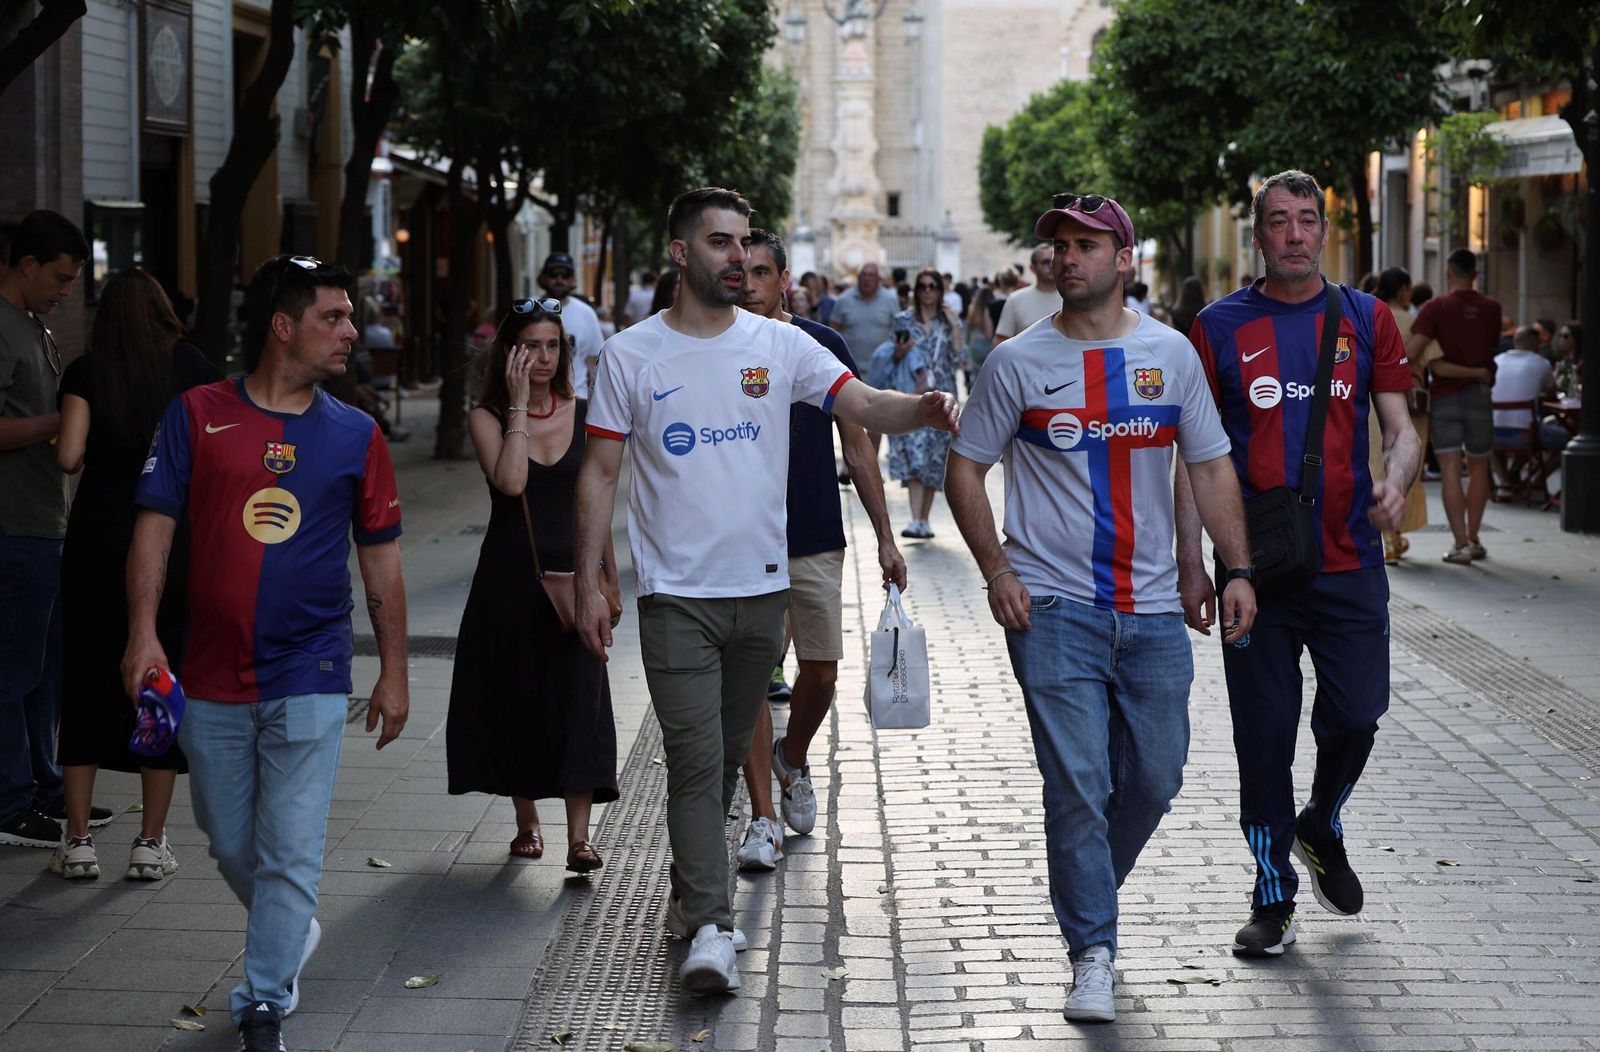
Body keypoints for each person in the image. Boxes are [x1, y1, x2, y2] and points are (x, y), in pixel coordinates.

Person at [571, 187, 958, 996]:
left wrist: (920, 410)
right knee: (692, 758)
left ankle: (692, 893)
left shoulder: (780, 347)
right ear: (681, 253)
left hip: (763, 594)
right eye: (719, 242)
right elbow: (600, 471)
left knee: (715, 771)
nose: (738, 257)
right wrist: (590, 578)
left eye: (745, 243)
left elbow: (862, 405)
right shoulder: (632, 355)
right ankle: (714, 928)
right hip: (676, 596)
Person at [947, 191, 1257, 1024]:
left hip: (1154, 609)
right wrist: (995, 569)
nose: (1068, 258)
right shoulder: (1016, 362)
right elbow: (965, 468)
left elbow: (1209, 466)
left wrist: (1228, 567)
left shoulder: (1172, 356)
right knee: (1078, 783)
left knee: (1155, 779)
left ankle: (1085, 889)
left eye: (1087, 245)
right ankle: (1094, 950)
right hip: (1050, 607)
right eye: (1060, 245)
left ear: (1125, 259)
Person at [123, 253, 410, 1052]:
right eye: (334, 317)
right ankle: (291, 930)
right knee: (228, 836)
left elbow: (380, 556)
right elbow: (154, 526)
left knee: (289, 846)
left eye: (351, 317)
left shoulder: (356, 433)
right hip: (207, 671)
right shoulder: (194, 414)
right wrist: (142, 632)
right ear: (284, 327)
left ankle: (261, 1002)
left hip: (312, 668)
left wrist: (393, 670)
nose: (353, 330)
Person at [1179, 169, 1419, 960]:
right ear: (1259, 236)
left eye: (1306, 220)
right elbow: (1191, 457)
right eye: (1277, 221)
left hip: (1350, 563)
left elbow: (1402, 427)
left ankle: (1321, 819)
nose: (1293, 234)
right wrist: (1195, 560)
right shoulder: (1216, 328)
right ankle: (1272, 895)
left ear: (1324, 231)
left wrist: (1399, 479)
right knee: (1263, 739)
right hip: (1255, 570)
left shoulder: (1365, 318)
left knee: (1356, 716)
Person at [733, 229, 905, 871]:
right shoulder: (720, 345)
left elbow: (858, 445)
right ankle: (761, 818)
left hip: (812, 533)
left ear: (784, 280)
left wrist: (886, 535)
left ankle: (792, 757)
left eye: (759, 273)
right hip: (743, 540)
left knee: (822, 671)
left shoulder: (821, 345)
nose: (746, 284)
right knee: (750, 675)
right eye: (739, 271)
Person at [50, 269, 220, 880]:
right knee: (159, 682)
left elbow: (69, 456)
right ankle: (150, 842)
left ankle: (76, 842)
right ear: (163, 310)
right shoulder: (192, 366)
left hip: (97, 542)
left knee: (88, 681)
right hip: (172, 541)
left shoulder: (87, 371)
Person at [446, 298, 620, 870]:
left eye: (553, 346)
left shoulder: (588, 410)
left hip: (576, 578)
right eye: (531, 347)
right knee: (516, 697)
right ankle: (527, 823)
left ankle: (579, 837)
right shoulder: (487, 416)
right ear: (510, 354)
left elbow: (597, 501)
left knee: (580, 699)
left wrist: (608, 577)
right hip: (509, 580)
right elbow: (512, 481)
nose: (543, 358)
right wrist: (519, 406)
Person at [0, 210, 104, 850]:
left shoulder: (36, 328)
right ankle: (12, 802)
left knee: (45, 670)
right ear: (26, 264)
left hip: (46, 520)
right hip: (14, 525)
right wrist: (57, 422)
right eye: (61, 278)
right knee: (14, 672)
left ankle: (44, 788)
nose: (67, 292)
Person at [1407, 248, 1501, 565]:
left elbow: (1413, 350)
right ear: (1476, 274)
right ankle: (1474, 538)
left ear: (1448, 273)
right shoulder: (1492, 308)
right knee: (1479, 466)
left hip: (1445, 396)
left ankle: (1460, 543)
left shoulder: (1436, 308)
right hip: (1480, 394)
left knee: (1450, 470)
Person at [890, 269, 965, 539]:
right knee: (911, 450)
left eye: (933, 286)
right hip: (912, 391)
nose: (927, 291)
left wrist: (955, 325)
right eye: (922, 286)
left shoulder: (949, 322)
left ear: (940, 290)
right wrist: (901, 351)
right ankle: (914, 518)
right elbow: (893, 356)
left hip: (942, 392)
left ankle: (925, 518)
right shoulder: (902, 320)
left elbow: (959, 358)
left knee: (934, 455)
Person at [1373, 267, 1436, 563]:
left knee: (1376, 462)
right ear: (1404, 290)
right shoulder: (1413, 322)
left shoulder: (1367, 314)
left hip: (1371, 403)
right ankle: (1392, 533)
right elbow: (1435, 360)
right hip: (1409, 403)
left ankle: (1388, 537)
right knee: (1405, 462)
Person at [1491, 325, 1569, 489]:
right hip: (1526, 436)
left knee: (1492, 436)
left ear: (1515, 342)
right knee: (1566, 439)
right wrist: (1563, 396)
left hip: (1492, 435)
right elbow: (1555, 394)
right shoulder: (1542, 363)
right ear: (1536, 344)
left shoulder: (1496, 361)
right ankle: (1536, 483)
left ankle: (1506, 480)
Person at [538, 252, 604, 399]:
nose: (559, 280)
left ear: (573, 279)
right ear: (543, 276)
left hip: (575, 400)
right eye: (553, 274)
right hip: (533, 401)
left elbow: (594, 363)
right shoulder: (528, 309)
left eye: (566, 275)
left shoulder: (586, 313)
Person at [830, 261, 899, 362]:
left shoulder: (890, 299)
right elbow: (834, 331)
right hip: (851, 368)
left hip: (883, 367)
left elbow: (898, 330)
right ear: (858, 277)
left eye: (871, 275)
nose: (867, 279)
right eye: (864, 275)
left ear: (878, 279)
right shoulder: (844, 299)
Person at [993, 244, 1058, 346]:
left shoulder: (1073, 298)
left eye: (1054, 261)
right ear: (1032, 268)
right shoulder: (1016, 299)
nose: (1051, 265)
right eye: (1045, 262)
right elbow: (1001, 340)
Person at [966, 285, 997, 378]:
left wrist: (968, 345)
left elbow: (969, 330)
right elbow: (989, 334)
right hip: (987, 347)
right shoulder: (989, 311)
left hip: (975, 346)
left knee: (975, 377)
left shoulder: (973, 309)